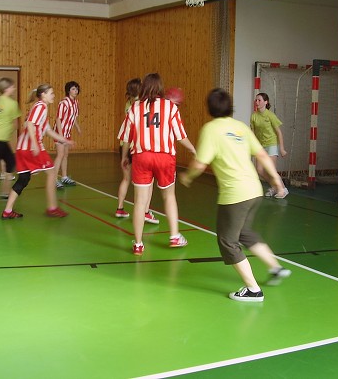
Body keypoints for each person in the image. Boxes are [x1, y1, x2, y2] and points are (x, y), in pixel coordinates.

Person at [180, 88, 291, 302]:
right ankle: (275, 267)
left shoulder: (211, 129)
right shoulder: (240, 127)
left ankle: (253, 289)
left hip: (235, 195)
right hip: (254, 190)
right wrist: (276, 179)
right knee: (244, 233)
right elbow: (261, 154)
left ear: (210, 108)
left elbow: (200, 163)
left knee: (228, 241)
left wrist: (187, 177)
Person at [117, 72, 196, 255]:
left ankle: (138, 244)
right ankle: (174, 236)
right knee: (169, 196)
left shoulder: (135, 108)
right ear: (161, 88)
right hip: (165, 157)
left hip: (141, 157)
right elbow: (180, 135)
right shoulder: (170, 107)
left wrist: (124, 156)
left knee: (140, 201)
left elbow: (126, 137)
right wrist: (193, 149)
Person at [2, 84, 73, 219]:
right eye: (51, 93)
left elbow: (49, 131)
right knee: (52, 173)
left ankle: (7, 211)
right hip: (31, 147)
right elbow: (29, 124)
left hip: (21, 148)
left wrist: (65, 140)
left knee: (24, 179)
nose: (53, 96)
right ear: (43, 95)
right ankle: (52, 208)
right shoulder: (41, 106)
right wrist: (35, 144)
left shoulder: (40, 108)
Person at [115, 78, 158, 224]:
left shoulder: (129, 103)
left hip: (124, 144)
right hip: (137, 146)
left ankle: (120, 208)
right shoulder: (142, 104)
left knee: (126, 179)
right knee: (147, 181)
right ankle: (145, 211)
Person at [250, 92, 289, 198]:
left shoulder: (270, 115)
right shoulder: (254, 116)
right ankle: (274, 187)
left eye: (259, 100)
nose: (257, 102)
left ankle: (283, 189)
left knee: (271, 169)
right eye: (256, 100)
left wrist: (281, 148)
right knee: (260, 170)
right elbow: (252, 133)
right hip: (260, 146)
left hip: (271, 144)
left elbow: (278, 132)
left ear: (265, 102)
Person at [54, 81, 81, 189]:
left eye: (77, 89)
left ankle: (64, 177)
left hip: (67, 133)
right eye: (73, 89)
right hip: (60, 132)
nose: (76, 91)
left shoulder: (76, 103)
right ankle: (54, 179)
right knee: (60, 155)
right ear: (68, 90)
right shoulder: (63, 103)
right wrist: (60, 135)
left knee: (65, 155)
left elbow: (73, 118)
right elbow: (58, 119)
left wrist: (77, 127)